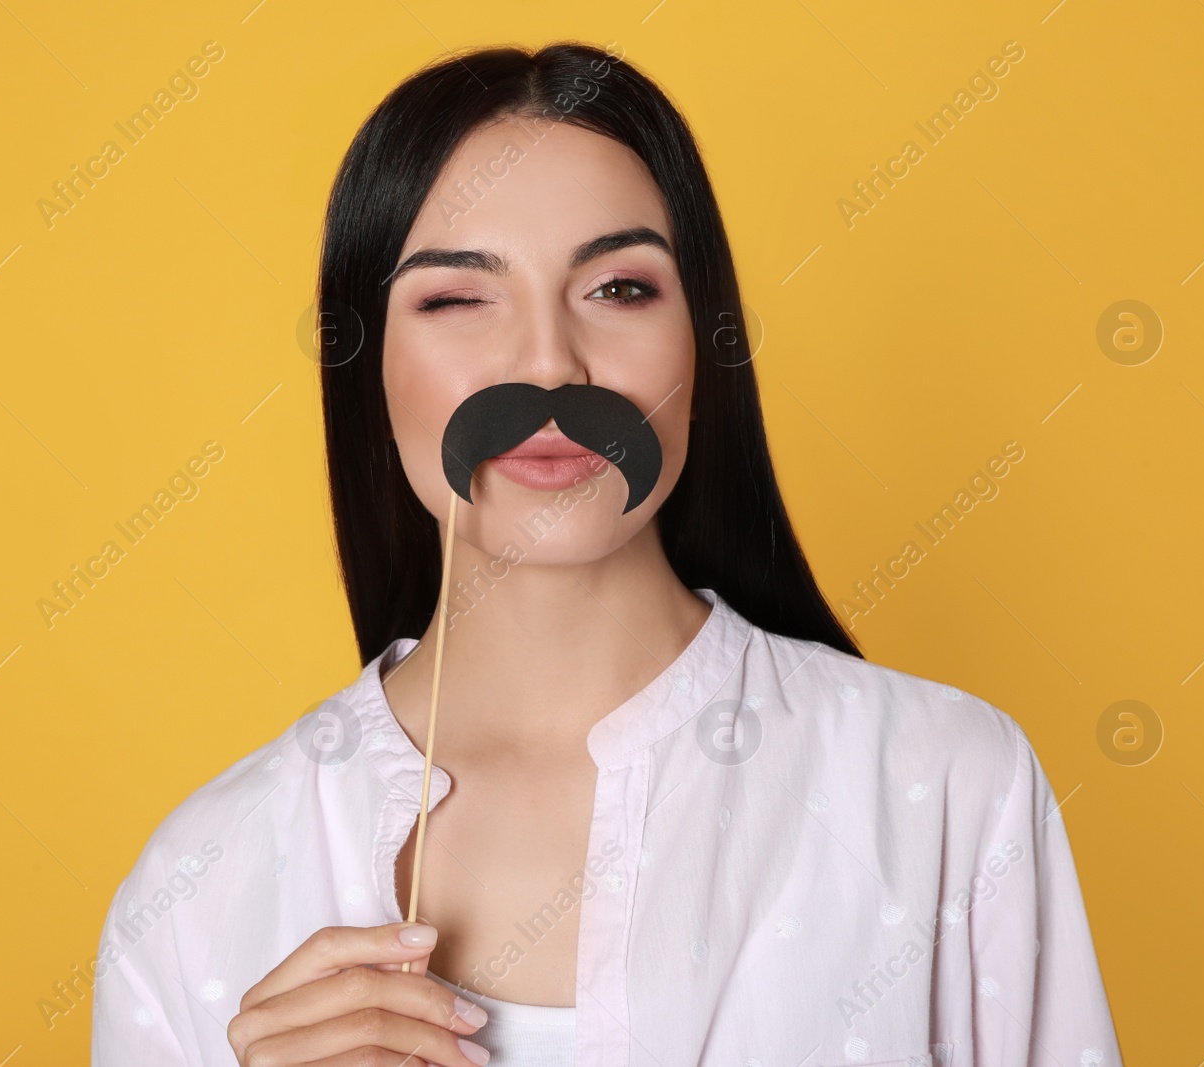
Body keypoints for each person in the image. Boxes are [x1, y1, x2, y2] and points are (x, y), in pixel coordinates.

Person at [91, 41, 1123, 1067]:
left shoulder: (947, 784)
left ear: (702, 338)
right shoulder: (204, 879)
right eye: (455, 297)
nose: (547, 361)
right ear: (366, 364)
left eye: (620, 289)